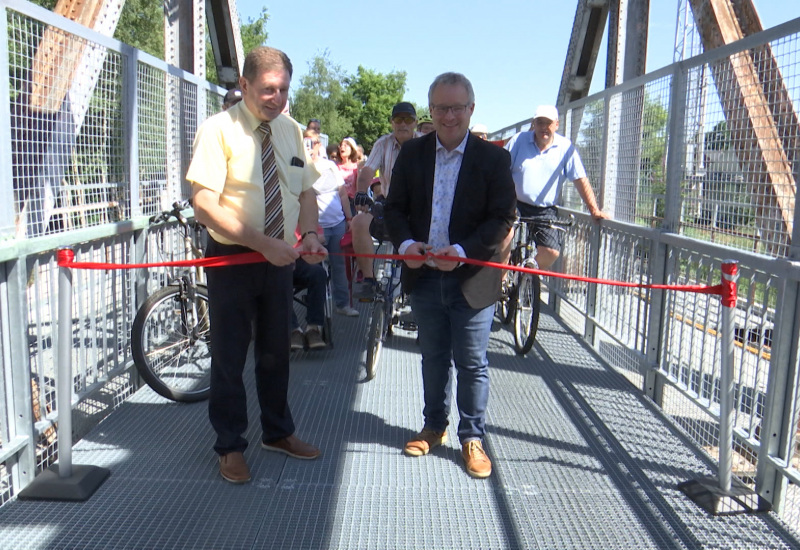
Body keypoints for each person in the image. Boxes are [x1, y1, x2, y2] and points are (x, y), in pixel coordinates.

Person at [186, 46, 325, 485]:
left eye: (283, 89)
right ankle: (229, 445)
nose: (277, 97)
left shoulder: (291, 131)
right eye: (268, 89)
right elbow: (204, 204)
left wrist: (314, 236)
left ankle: (277, 432)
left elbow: (305, 192)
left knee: (275, 350)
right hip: (233, 258)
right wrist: (264, 244)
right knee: (228, 355)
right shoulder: (218, 130)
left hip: (279, 258)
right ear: (244, 85)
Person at [384, 72, 516, 479]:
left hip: (472, 278)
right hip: (423, 275)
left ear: (471, 109)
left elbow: (502, 218)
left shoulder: (494, 158)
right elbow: (394, 210)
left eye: (457, 107)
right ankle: (434, 426)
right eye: (440, 108)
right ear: (432, 111)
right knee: (433, 356)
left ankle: (472, 437)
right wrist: (406, 246)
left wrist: (460, 253)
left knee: (472, 361)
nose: (449, 116)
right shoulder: (413, 154)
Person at [504, 105, 610, 269]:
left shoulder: (565, 147)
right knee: (504, 238)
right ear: (534, 124)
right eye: (539, 122)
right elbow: (500, 170)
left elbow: (580, 179)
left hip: (545, 210)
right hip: (515, 204)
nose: (543, 128)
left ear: (556, 125)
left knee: (551, 251)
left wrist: (593, 210)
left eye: (548, 123)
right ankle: (502, 282)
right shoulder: (519, 140)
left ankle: (525, 276)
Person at [351, 102, 419, 299]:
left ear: (414, 123)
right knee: (359, 222)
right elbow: (367, 171)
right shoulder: (383, 143)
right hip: (391, 205)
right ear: (392, 122)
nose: (403, 124)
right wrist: (361, 191)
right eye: (398, 119)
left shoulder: (426, 142)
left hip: (419, 208)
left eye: (408, 120)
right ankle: (369, 280)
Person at [304, 129, 358, 318]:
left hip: (337, 223)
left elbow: (343, 193)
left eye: (313, 142)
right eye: (306, 142)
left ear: (319, 145)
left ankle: (342, 304)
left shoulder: (330, 166)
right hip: (314, 227)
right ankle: (317, 314)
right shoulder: (299, 165)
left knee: (339, 265)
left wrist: (349, 218)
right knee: (316, 269)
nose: (309, 146)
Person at [337, 137, 360, 208]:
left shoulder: (357, 167)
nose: (342, 147)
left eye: (346, 145)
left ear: (352, 149)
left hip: (352, 203)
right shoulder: (335, 167)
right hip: (337, 201)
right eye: (341, 145)